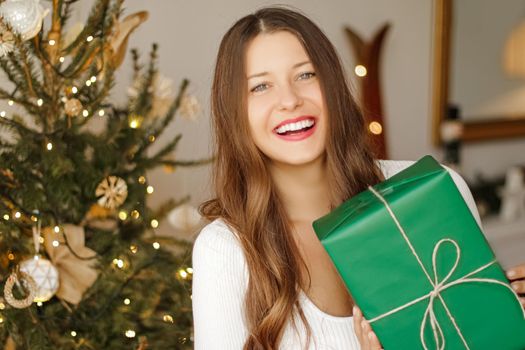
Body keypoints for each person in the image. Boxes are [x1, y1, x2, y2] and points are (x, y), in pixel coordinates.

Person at [191, 6, 525, 349]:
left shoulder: (433, 190)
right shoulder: (225, 251)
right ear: (234, 113)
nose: (289, 100)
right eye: (260, 86)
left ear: (333, 84)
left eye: (306, 75)